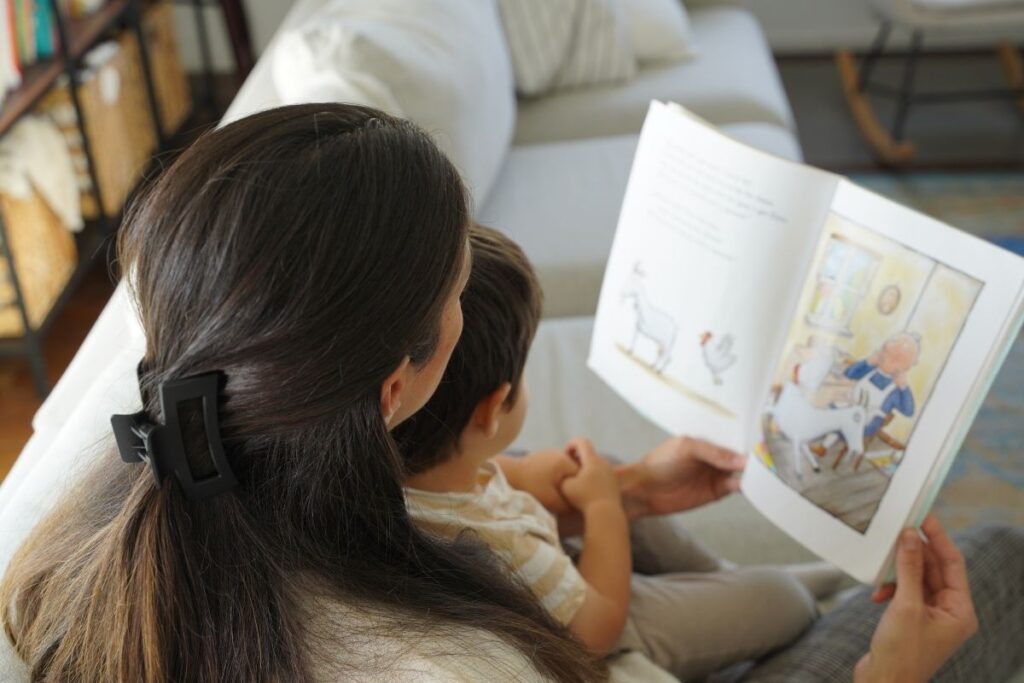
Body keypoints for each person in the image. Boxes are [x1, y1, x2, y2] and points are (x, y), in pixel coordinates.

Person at [0, 104, 1014, 682]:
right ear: (394, 387)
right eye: (453, 293)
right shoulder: (455, 661)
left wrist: (627, 491)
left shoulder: (141, 498)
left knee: (822, 584)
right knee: (999, 558)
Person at [396, 224, 841, 680]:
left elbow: (494, 477)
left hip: (554, 570)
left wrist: (532, 472)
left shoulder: (402, 468)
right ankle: (769, 590)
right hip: (597, 625)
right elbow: (599, 627)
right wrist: (603, 504)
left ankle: (720, 574)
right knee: (781, 598)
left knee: (601, 468)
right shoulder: (504, 552)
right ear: (492, 410)